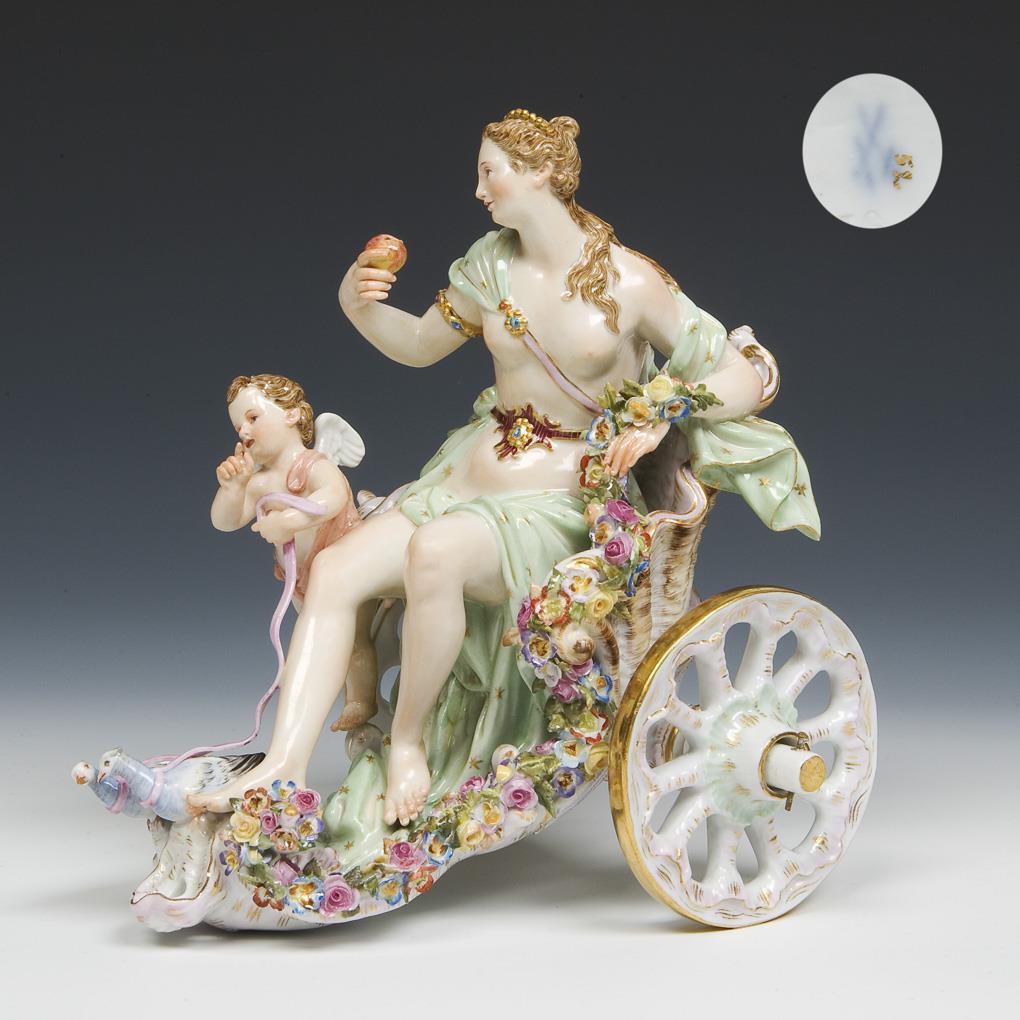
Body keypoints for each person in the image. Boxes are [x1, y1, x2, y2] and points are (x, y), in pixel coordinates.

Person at [189, 109, 818, 829]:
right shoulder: (490, 263)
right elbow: (420, 344)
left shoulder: (631, 282)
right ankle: (282, 767)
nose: (479, 191)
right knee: (333, 572)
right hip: (463, 478)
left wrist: (664, 409)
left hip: (557, 504)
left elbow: (740, 375)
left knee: (435, 554)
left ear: (542, 171)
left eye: (490, 172)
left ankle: (407, 745)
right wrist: (355, 307)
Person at [211, 373, 378, 730]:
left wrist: (290, 520)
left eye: (252, 417)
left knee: (353, 638)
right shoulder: (259, 481)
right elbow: (225, 522)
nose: (243, 431)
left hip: (347, 568)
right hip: (302, 578)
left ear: (291, 415)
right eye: (238, 425)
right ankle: (306, 698)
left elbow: (334, 496)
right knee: (316, 635)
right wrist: (233, 489)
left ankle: (361, 700)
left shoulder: (313, 464)